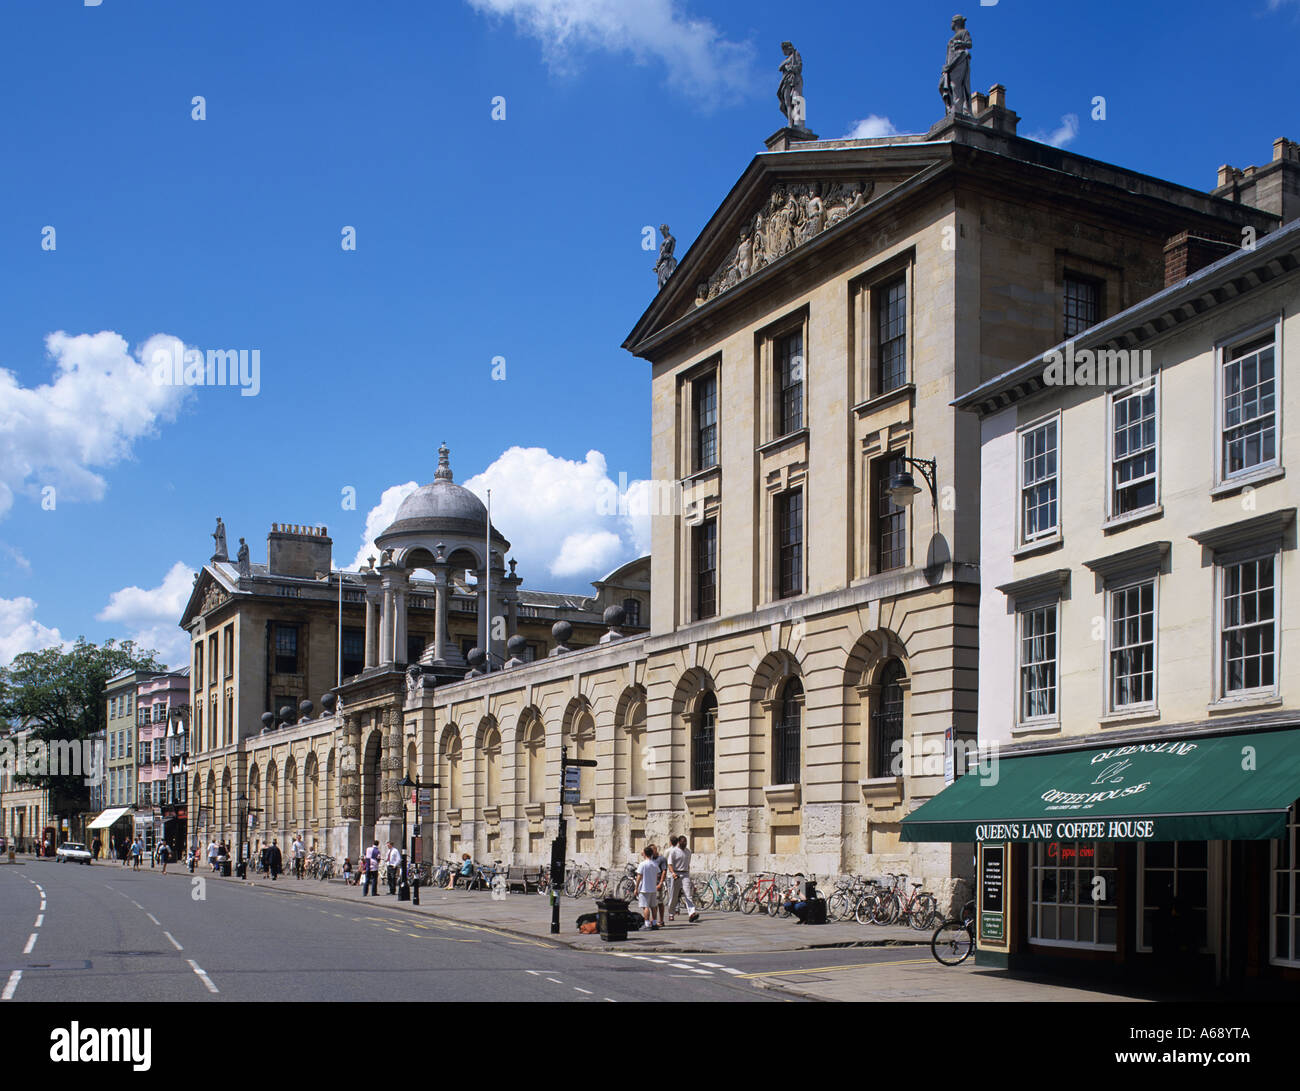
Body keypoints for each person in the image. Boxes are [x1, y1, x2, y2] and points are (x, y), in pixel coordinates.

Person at [666, 835, 700, 923]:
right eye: (682, 842)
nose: (684, 844)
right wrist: (673, 873)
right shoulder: (673, 851)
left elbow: (688, 864)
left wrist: (688, 874)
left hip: (685, 874)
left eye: (685, 842)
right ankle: (671, 913)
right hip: (676, 873)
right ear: (679, 842)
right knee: (674, 895)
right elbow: (669, 864)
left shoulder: (688, 852)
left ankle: (692, 913)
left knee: (688, 894)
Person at [635, 845, 661, 930]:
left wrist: (636, 888)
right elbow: (657, 875)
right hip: (653, 888)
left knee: (645, 906)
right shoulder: (655, 864)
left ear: (645, 854)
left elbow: (639, 877)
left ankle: (646, 924)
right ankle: (654, 923)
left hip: (644, 888)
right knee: (653, 906)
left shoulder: (642, 864)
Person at [649, 843, 667, 927]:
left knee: (658, 902)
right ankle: (654, 920)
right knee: (653, 903)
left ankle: (660, 920)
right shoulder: (650, 859)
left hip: (658, 883)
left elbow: (664, 871)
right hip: (651, 883)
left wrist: (660, 883)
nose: (653, 852)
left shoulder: (661, 859)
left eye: (654, 850)